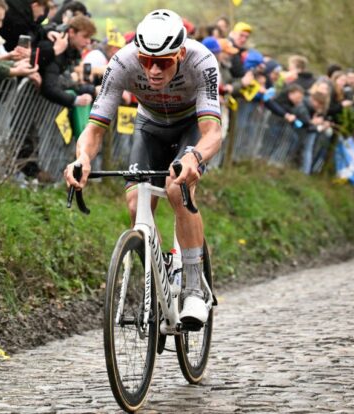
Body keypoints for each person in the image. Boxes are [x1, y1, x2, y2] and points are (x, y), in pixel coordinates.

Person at [64, 9, 222, 327]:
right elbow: (94, 129)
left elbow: (212, 132)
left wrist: (195, 158)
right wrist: (82, 159)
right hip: (149, 126)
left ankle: (193, 289)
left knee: (178, 189)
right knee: (136, 203)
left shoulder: (201, 61)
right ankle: (160, 271)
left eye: (162, 62)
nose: (152, 70)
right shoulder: (122, 62)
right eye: (145, 60)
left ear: (180, 52)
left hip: (190, 126)